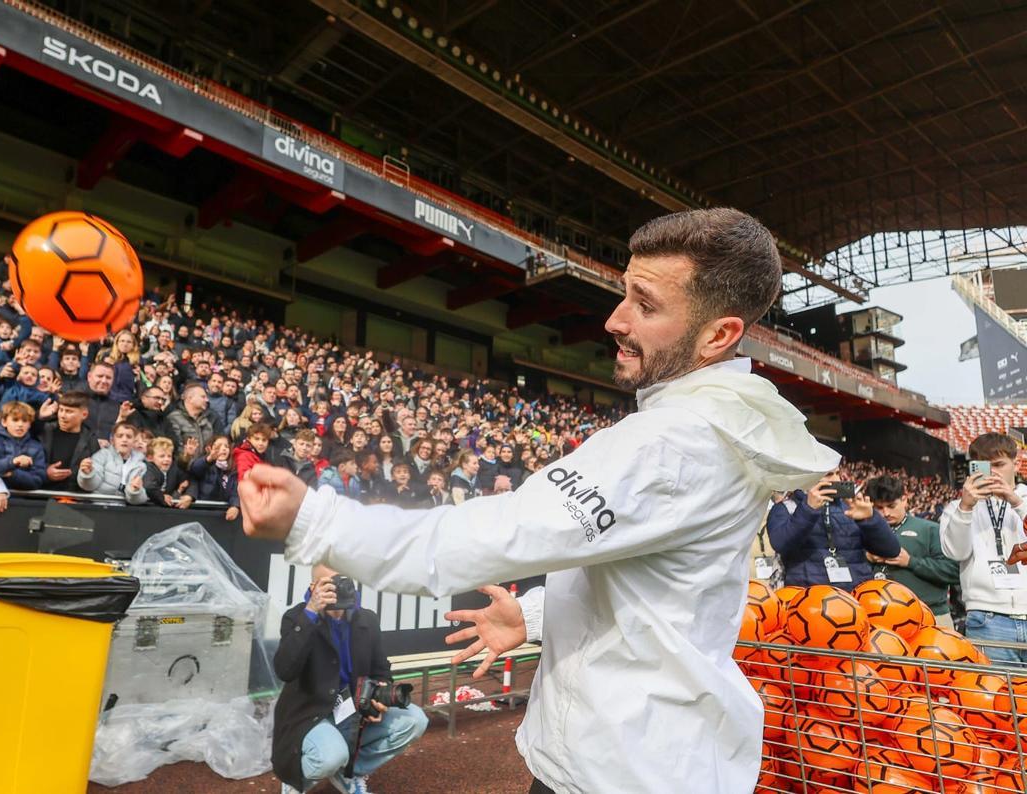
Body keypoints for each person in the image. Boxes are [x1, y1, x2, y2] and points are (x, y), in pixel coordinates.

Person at [238, 208, 839, 793]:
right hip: (639, 756)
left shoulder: (672, 443)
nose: (615, 319)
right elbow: (649, 589)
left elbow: (489, 535)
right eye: (625, 293)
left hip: (620, 767)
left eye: (646, 304)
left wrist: (316, 520)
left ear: (719, 334)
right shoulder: (707, 430)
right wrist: (533, 615)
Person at [272, 564, 429, 794]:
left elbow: (381, 668)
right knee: (330, 756)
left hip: (354, 709)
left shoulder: (367, 619)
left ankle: (348, 773)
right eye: (329, 583)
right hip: (310, 714)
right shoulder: (297, 617)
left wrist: (381, 692)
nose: (337, 587)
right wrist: (311, 611)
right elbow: (285, 670)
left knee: (415, 720)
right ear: (313, 587)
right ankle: (297, 779)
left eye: (342, 580)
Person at [943, 433, 1027, 665]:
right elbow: (955, 552)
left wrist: (1016, 502)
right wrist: (966, 507)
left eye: (999, 464)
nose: (993, 473)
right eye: (983, 466)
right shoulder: (956, 508)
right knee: (995, 696)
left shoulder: (1024, 500)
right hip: (987, 617)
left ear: (1016, 463)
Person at [766, 469, 900, 587]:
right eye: (829, 475)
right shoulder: (786, 508)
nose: (836, 479)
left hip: (855, 597)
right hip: (809, 600)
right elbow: (780, 543)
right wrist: (808, 510)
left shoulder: (851, 508)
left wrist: (870, 520)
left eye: (837, 473)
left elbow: (891, 550)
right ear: (808, 478)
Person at [865, 475, 960, 629]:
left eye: (891, 505)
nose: (886, 513)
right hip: (877, 617)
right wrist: (866, 557)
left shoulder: (930, 529)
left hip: (929, 615)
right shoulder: (864, 530)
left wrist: (910, 561)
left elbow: (953, 572)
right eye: (879, 508)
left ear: (904, 499)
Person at [0, 400, 47, 514]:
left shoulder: (36, 447)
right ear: (4, 422)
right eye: (15, 420)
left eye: (25, 421)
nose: (20, 424)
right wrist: (12, 463)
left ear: (30, 424)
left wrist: (12, 474)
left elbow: (38, 480)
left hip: (21, 505)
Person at [38, 392, 101, 492]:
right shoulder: (45, 431)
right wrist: (45, 472)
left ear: (84, 414)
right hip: (42, 494)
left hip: (74, 497)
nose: (62, 415)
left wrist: (84, 472)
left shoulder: (91, 440)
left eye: (69, 411)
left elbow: (97, 473)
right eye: (61, 410)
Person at [77, 422, 148, 505]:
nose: (124, 439)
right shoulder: (102, 455)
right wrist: (87, 474)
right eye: (120, 436)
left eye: (129, 437)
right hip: (98, 506)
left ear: (134, 441)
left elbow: (140, 499)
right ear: (112, 440)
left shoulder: (141, 465)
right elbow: (89, 486)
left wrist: (135, 491)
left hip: (124, 511)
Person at [142, 436, 193, 509]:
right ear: (150, 458)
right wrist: (162, 497)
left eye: (169, 456)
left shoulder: (174, 468)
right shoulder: (148, 468)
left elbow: (188, 480)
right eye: (162, 456)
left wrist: (186, 494)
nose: (167, 459)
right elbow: (149, 486)